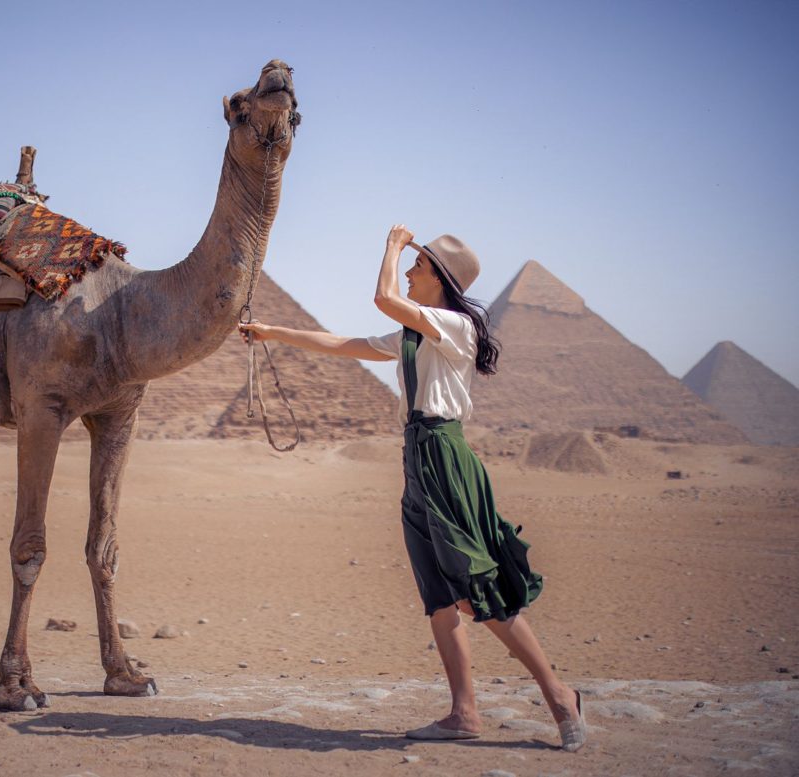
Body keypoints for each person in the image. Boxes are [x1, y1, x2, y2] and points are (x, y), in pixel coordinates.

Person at [239, 225, 587, 751]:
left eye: (417, 267)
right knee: (439, 594)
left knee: (476, 585)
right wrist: (274, 333)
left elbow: (384, 299)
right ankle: (463, 712)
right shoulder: (414, 334)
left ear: (440, 279)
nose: (407, 272)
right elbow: (344, 344)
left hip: (444, 457)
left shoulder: (453, 326)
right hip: (417, 457)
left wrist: (391, 244)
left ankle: (559, 695)